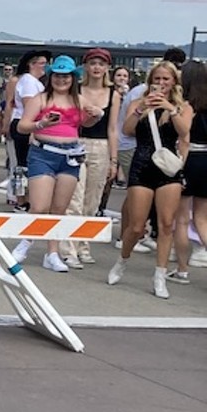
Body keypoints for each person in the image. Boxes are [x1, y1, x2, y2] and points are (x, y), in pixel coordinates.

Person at [107, 60, 190, 299]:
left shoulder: (181, 106)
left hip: (167, 170)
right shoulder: (137, 102)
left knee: (166, 225)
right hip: (142, 164)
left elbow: (185, 132)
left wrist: (169, 108)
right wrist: (142, 107)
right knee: (136, 225)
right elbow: (127, 130)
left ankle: (160, 275)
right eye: (157, 79)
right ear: (150, 80)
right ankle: (122, 260)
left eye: (166, 79)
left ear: (174, 81)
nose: (161, 84)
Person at [13, 57, 87, 273]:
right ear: (51, 77)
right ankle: (25, 243)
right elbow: (22, 126)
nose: (61, 80)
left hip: (70, 156)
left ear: (73, 78)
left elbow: (88, 122)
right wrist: (41, 123)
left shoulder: (78, 100)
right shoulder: (41, 99)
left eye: (66, 76)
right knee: (39, 206)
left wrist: (96, 114)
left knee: (59, 209)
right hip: (43, 153)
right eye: (57, 75)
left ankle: (52, 253)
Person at [64, 49, 121, 266]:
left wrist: (114, 160)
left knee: (92, 200)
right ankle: (68, 248)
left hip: (101, 146)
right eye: (93, 63)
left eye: (101, 64)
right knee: (74, 199)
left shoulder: (113, 93)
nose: (97, 68)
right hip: (77, 141)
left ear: (107, 68)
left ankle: (83, 244)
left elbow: (113, 128)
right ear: (86, 66)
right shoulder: (75, 89)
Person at [172, 60, 207, 282]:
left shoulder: (186, 105)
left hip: (190, 158)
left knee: (182, 219)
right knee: (203, 218)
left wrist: (179, 168)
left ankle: (182, 269)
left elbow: (184, 139)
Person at [2, 50, 47, 207]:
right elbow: (29, 105)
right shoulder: (28, 81)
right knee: (22, 165)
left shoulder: (35, 82)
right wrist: (33, 129)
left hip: (29, 124)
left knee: (25, 164)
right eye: (42, 63)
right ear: (31, 64)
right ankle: (20, 200)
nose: (44, 67)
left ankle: (24, 198)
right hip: (24, 124)